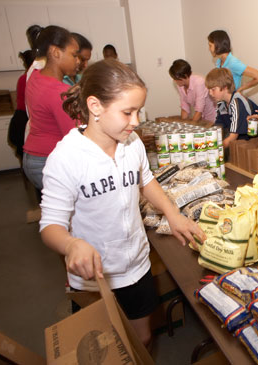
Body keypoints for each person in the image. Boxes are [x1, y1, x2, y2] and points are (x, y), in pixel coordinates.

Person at [40, 59, 205, 346]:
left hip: (137, 266)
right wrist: (71, 244)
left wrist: (172, 214)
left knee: (141, 335)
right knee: (105, 344)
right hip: (96, 278)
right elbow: (50, 225)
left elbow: (146, 181)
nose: (136, 121)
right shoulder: (66, 158)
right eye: (128, 112)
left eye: (138, 111)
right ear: (95, 107)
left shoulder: (132, 143)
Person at [23, 25, 80, 197]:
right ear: (56, 52)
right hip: (46, 160)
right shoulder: (59, 92)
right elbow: (75, 137)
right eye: (74, 55)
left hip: (33, 157)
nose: (78, 61)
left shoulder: (36, 76)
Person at [205, 68, 258, 148]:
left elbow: (232, 137)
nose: (210, 93)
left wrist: (214, 148)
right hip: (249, 139)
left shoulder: (237, 103)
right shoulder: (221, 103)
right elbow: (219, 126)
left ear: (225, 87)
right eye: (209, 90)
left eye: (213, 89)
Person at [8, 50, 35, 164]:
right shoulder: (29, 78)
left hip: (21, 118)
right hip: (25, 119)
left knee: (25, 158)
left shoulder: (23, 77)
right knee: (28, 158)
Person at [168, 59, 216, 123]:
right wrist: (183, 124)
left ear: (185, 76)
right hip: (201, 119)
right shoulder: (180, 84)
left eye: (176, 79)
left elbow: (199, 110)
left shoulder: (199, 82)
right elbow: (185, 106)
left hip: (213, 118)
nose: (175, 81)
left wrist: (191, 126)